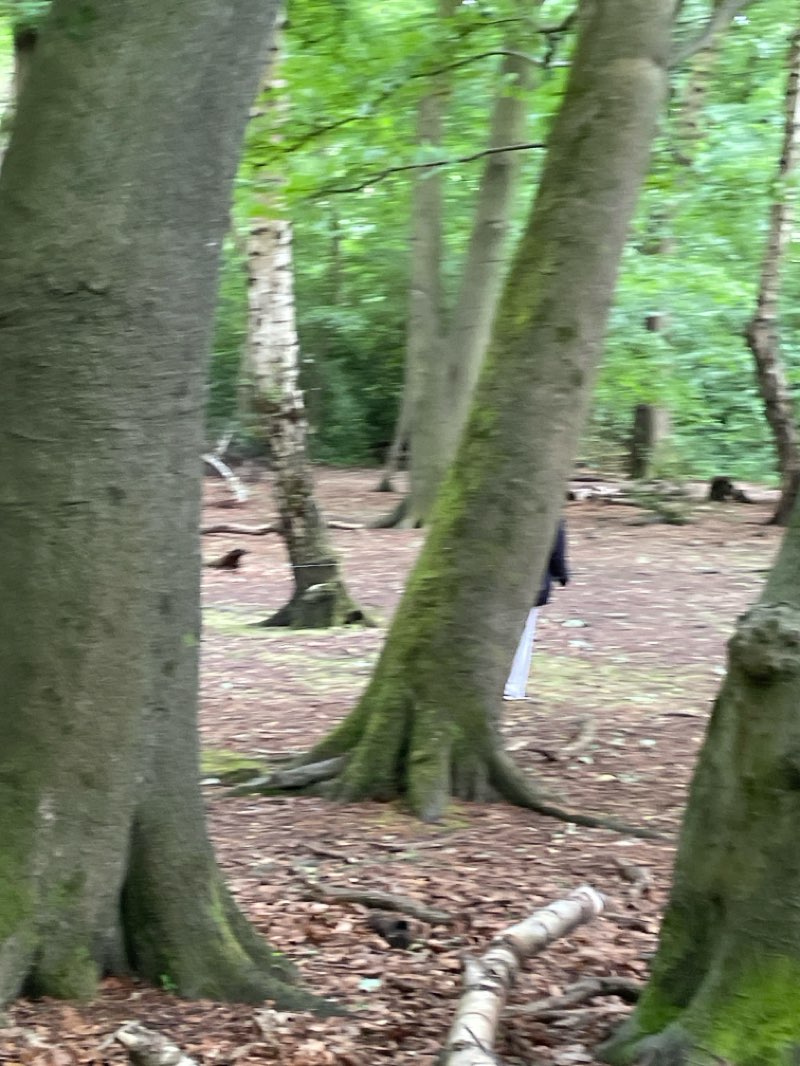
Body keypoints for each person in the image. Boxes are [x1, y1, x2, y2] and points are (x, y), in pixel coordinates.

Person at [503, 520, 569, 701]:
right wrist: (562, 574)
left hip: (500, 584)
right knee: (522, 637)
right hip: (531, 584)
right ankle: (513, 687)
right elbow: (556, 548)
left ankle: (510, 686)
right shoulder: (550, 510)